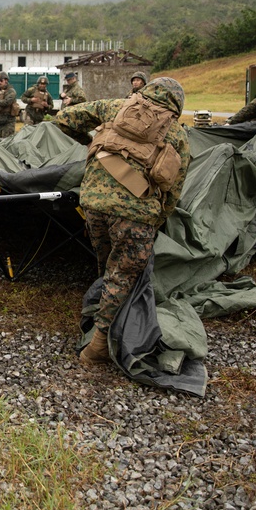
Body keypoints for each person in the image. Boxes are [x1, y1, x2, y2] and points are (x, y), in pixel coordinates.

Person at [53, 77, 190, 365]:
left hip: (93, 201)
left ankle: (102, 317)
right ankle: (99, 345)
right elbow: (174, 189)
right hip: (135, 212)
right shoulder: (177, 133)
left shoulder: (115, 107)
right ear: (177, 104)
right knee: (122, 275)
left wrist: (93, 144)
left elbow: (63, 118)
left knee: (107, 264)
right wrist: (156, 220)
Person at [0, 71, 18, 139]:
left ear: (6, 80)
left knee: (7, 142)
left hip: (8, 122)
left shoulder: (11, 91)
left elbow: (7, 102)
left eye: (1, 80)